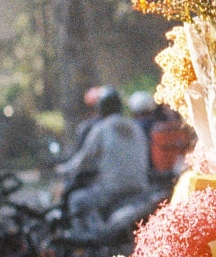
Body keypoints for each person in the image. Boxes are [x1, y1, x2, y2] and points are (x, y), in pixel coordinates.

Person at [58, 89, 151, 228]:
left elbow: (83, 160)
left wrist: (62, 169)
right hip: (140, 188)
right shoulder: (135, 127)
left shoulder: (101, 128)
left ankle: (83, 243)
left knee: (76, 200)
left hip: (112, 190)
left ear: (101, 108)